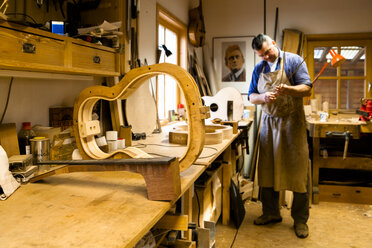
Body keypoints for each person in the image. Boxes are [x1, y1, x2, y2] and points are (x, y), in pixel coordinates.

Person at [248, 34, 312, 239]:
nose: (266, 57)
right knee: (267, 169)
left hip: (292, 123)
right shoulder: (259, 68)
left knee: (298, 170)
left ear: (274, 44)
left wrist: (289, 90)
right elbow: (251, 96)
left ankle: (300, 220)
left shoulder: (293, 60)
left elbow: (307, 88)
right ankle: (271, 213)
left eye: (268, 52)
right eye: (261, 55)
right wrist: (264, 97)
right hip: (269, 123)